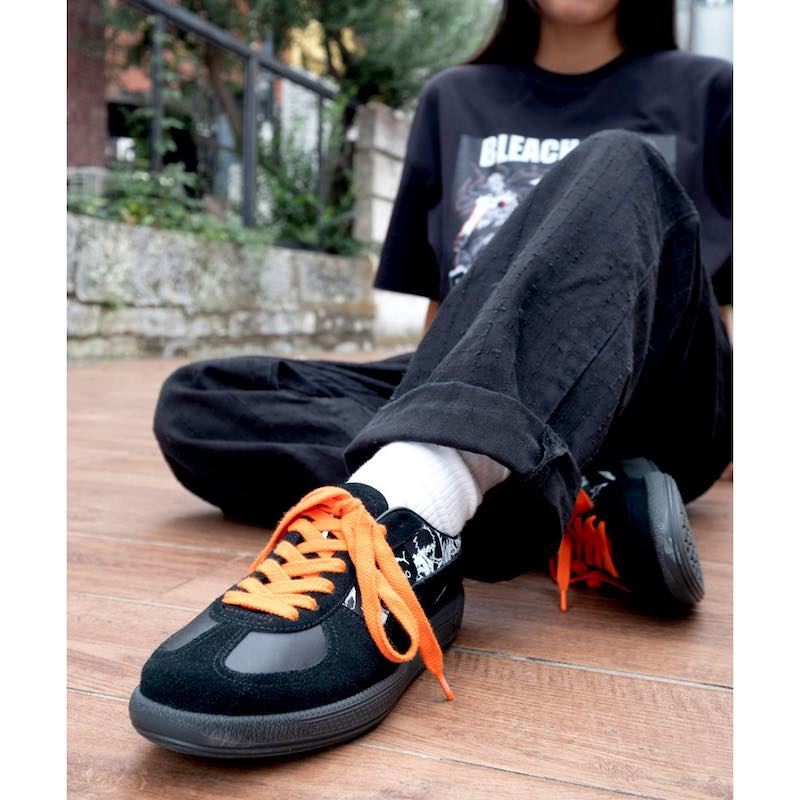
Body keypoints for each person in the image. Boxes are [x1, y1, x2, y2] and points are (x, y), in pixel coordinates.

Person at [129, 0, 732, 758]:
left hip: (650, 395)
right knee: (205, 398)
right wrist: (432, 405)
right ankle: (555, 495)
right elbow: (443, 313)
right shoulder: (455, 97)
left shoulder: (710, 90)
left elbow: (722, 305)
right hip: (495, 384)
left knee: (621, 159)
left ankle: (415, 502)